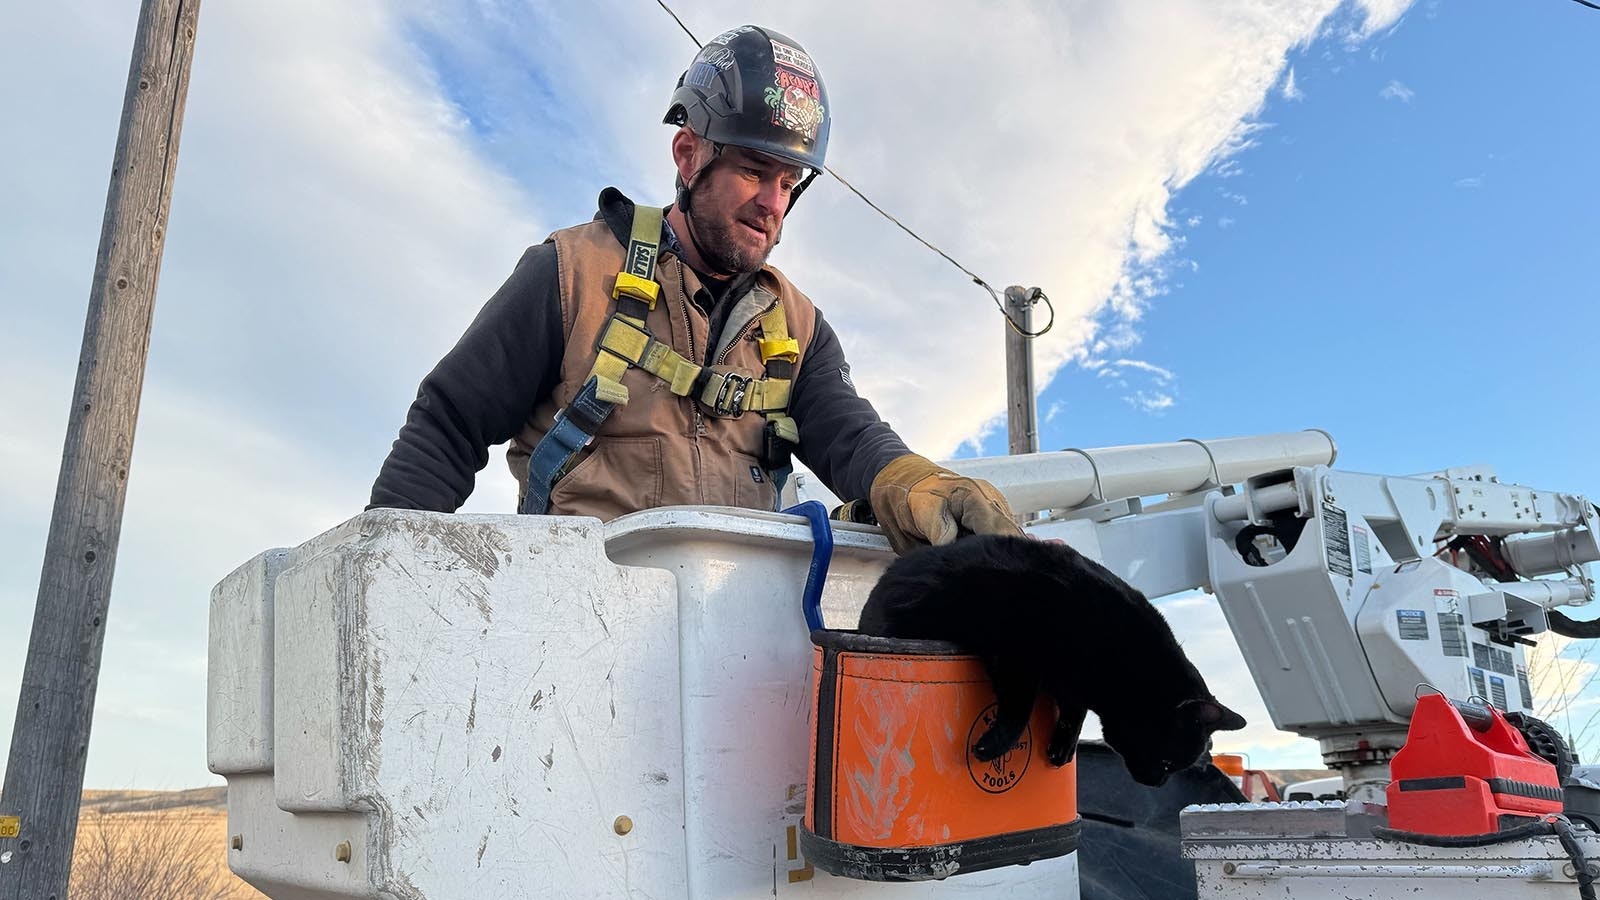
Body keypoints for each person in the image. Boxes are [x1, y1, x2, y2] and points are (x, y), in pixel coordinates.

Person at [368, 25, 1020, 555]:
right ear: (688, 156)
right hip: (569, 657)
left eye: (789, 182)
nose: (773, 203)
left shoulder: (794, 326)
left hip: (732, 661)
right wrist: (385, 571)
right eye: (755, 170)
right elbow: (448, 424)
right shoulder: (571, 273)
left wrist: (914, 482)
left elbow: (849, 436)